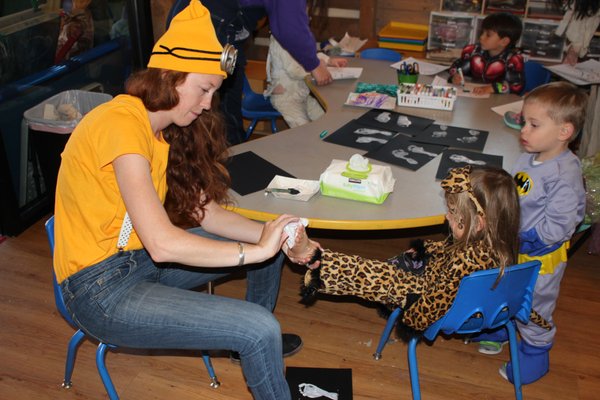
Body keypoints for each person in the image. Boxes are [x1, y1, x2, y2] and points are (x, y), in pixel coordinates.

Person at [53, 3, 312, 399]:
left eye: (213, 91)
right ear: (171, 77)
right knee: (259, 326)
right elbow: (162, 242)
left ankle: (252, 350)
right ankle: (254, 339)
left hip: (137, 264)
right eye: (204, 88)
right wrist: (253, 251)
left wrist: (278, 233)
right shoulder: (120, 123)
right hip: (98, 290)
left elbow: (207, 215)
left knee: (269, 256)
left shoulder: (163, 132)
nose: (208, 103)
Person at [293, 166, 551, 337]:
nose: (446, 216)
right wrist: (427, 248)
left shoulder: (465, 261)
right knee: (394, 264)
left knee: (376, 276)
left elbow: (439, 300)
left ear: (479, 223)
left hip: (443, 306)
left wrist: (412, 319)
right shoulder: (499, 243)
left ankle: (317, 261)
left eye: (453, 213)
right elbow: (452, 249)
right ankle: (321, 262)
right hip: (485, 305)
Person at [472, 81, 588, 385]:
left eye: (533, 124)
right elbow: (517, 194)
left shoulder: (565, 173)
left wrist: (531, 239)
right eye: (524, 121)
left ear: (564, 132)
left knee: (535, 305)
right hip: (513, 246)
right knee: (502, 288)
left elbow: (563, 223)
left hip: (540, 257)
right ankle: (499, 327)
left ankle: (536, 353)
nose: (524, 130)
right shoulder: (529, 155)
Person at [167, 0, 337, 145]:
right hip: (207, 21)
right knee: (220, 119)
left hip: (201, 17)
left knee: (210, 114)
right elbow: (289, 27)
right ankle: (225, 171)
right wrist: (314, 65)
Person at [265, 35, 347, 128]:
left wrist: (329, 60)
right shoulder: (280, 40)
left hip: (303, 96)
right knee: (303, 130)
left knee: (326, 122)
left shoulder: (298, 35)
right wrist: (317, 69)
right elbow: (294, 71)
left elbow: (310, 56)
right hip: (286, 99)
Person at [448, 12, 525, 95]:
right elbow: (456, 68)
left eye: (488, 35)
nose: (481, 37)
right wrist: (455, 76)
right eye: (482, 32)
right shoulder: (473, 52)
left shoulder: (513, 60)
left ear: (504, 41)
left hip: (498, 102)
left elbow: (516, 85)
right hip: (473, 96)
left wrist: (492, 88)